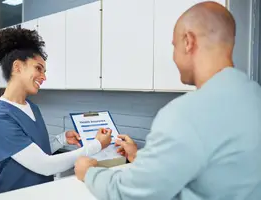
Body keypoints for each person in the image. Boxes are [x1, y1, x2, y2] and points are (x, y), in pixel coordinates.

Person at [74, 2, 261, 200]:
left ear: (188, 41)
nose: (173, 57)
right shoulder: (254, 95)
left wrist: (88, 172)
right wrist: (138, 157)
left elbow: (126, 194)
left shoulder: (185, 114)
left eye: (174, 46)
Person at [0, 25, 112, 195]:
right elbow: (45, 165)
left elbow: (33, 152)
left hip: (40, 193)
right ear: (17, 67)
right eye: (38, 68)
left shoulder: (33, 108)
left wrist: (61, 140)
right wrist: (97, 145)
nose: (44, 77)